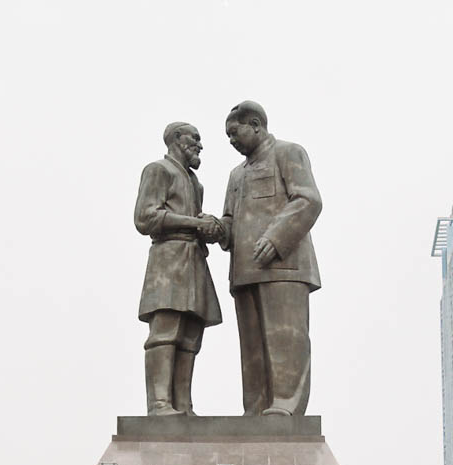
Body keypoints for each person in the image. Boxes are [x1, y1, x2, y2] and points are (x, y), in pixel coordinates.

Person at [220, 101, 322, 416]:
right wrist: (213, 229)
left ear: (255, 124)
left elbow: (308, 200)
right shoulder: (236, 175)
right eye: (228, 137)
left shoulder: (288, 153)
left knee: (286, 339)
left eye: (235, 133)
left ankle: (286, 406)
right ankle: (255, 409)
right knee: (252, 350)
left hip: (283, 266)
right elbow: (229, 221)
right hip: (244, 271)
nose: (232, 141)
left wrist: (275, 238)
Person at [133, 122, 224, 415]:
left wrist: (209, 227)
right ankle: (159, 403)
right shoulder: (158, 170)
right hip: (168, 258)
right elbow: (145, 217)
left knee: (190, 335)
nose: (199, 144)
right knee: (165, 332)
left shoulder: (195, 183)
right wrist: (195, 223)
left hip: (194, 258)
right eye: (194, 138)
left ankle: (183, 406)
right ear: (175, 139)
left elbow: (194, 219)